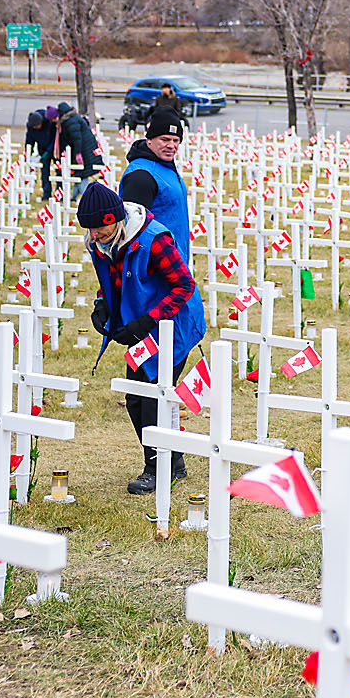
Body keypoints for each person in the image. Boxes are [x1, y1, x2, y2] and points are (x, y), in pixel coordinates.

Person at [79, 182, 207, 495]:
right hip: (142, 328)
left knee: (153, 399)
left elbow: (184, 286)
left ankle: (158, 469)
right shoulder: (99, 242)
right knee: (136, 399)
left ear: (115, 220)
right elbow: (110, 279)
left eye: (99, 229)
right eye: (90, 230)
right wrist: (102, 305)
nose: (93, 236)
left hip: (172, 325)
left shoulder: (153, 240)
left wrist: (148, 320)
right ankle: (172, 460)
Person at [120, 111, 197, 263]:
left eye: (176, 140)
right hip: (157, 265)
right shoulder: (141, 176)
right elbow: (133, 230)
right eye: (165, 139)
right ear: (149, 140)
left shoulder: (164, 166)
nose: (171, 145)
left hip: (174, 258)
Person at [54, 101, 102, 198]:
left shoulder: (71, 122)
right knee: (78, 173)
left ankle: (84, 196)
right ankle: (75, 195)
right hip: (84, 150)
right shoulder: (71, 119)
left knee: (82, 173)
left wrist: (77, 154)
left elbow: (77, 139)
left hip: (84, 152)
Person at [24, 106, 58, 200]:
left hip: (54, 148)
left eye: (37, 126)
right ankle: (46, 193)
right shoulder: (31, 127)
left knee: (59, 171)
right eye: (34, 127)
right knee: (44, 172)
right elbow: (29, 140)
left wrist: (49, 151)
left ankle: (60, 193)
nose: (35, 128)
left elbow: (56, 138)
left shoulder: (50, 122)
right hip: (42, 149)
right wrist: (28, 153)